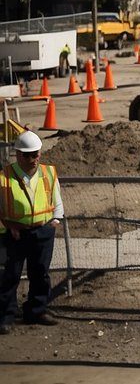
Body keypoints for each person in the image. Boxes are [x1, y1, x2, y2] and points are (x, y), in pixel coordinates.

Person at [0, 131, 64, 332]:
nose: (32, 159)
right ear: (17, 154)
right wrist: (8, 227)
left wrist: (55, 220)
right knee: (10, 276)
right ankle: (5, 316)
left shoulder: (48, 173)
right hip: (14, 234)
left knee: (40, 273)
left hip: (43, 232)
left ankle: (37, 310)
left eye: (35, 154)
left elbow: (57, 199)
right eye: (27, 155)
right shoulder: (4, 177)